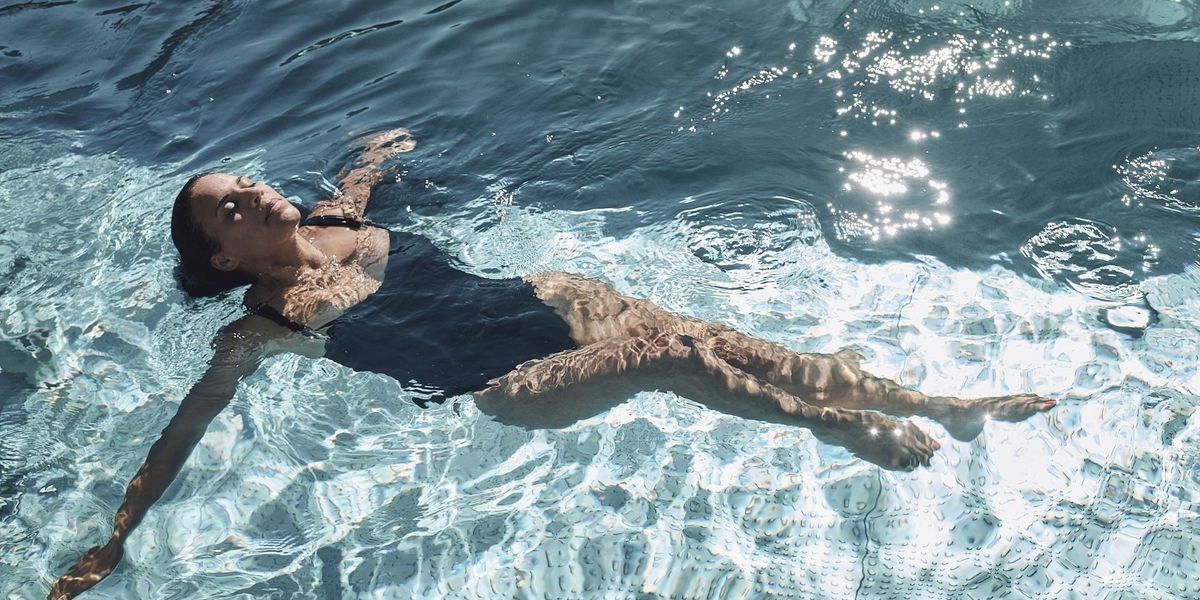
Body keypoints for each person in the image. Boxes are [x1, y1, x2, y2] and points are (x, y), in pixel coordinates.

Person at [48, 129, 1055, 598]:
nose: (249, 194)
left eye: (240, 182)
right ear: (224, 260)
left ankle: (941, 403)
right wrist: (117, 537)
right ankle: (852, 431)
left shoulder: (333, 219)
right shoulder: (262, 324)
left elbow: (357, 181)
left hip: (545, 302)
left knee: (733, 344)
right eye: (228, 208)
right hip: (503, 384)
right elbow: (185, 428)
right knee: (675, 355)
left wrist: (372, 156)